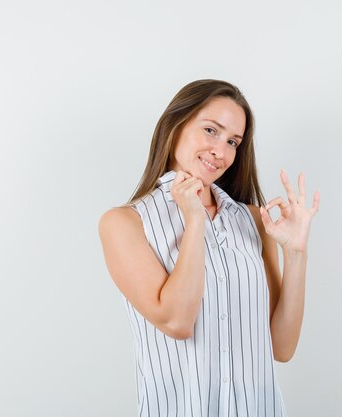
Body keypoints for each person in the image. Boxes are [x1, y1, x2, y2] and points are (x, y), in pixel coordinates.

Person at [97, 79, 320, 417]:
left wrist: (296, 252)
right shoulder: (125, 224)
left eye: (233, 141)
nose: (222, 151)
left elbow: (281, 346)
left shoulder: (253, 220)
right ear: (176, 125)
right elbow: (177, 321)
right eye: (211, 131)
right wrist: (194, 219)